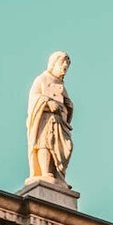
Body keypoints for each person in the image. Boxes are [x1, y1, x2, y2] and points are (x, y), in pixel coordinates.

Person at [26, 51, 74, 184]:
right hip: (46, 119)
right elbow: (34, 98)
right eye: (62, 63)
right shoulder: (42, 79)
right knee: (45, 143)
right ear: (53, 64)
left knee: (63, 147)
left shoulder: (62, 86)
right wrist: (47, 102)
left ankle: (58, 175)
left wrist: (69, 106)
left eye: (67, 65)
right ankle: (45, 172)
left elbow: (65, 104)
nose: (65, 66)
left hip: (59, 122)